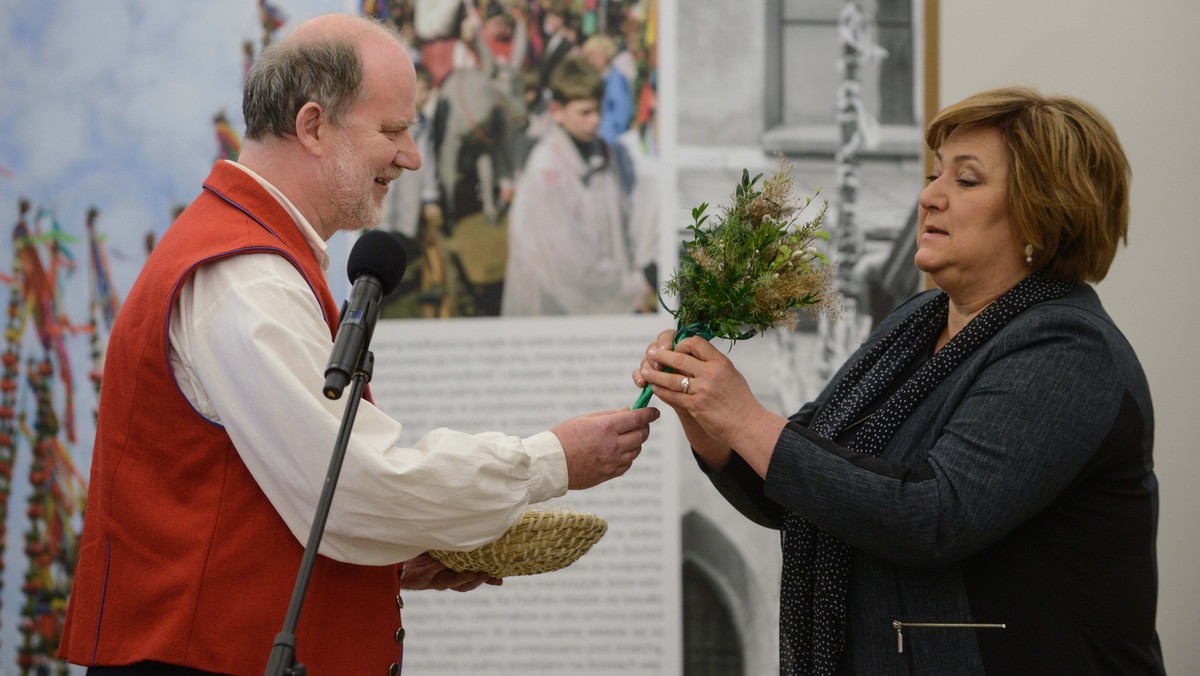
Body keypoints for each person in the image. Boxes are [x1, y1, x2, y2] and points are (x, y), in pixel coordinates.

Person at [59, 13, 660, 675]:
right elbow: (347, 485)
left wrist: (383, 563)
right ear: (313, 126)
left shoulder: (250, 257)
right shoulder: (244, 277)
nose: (411, 156)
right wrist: (550, 460)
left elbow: (267, 499)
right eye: (393, 130)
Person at [635, 87, 1165, 675]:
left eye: (965, 181)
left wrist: (744, 418)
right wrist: (702, 408)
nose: (929, 196)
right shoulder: (917, 321)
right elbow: (796, 482)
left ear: (1045, 213)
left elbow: (932, 517)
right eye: (936, 174)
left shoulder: (1069, 350)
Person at [501, 55, 650, 316]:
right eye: (585, 112)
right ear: (556, 111)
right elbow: (572, 263)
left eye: (599, 110)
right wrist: (631, 289)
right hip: (558, 308)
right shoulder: (546, 171)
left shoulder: (605, 154)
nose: (596, 120)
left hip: (610, 291)